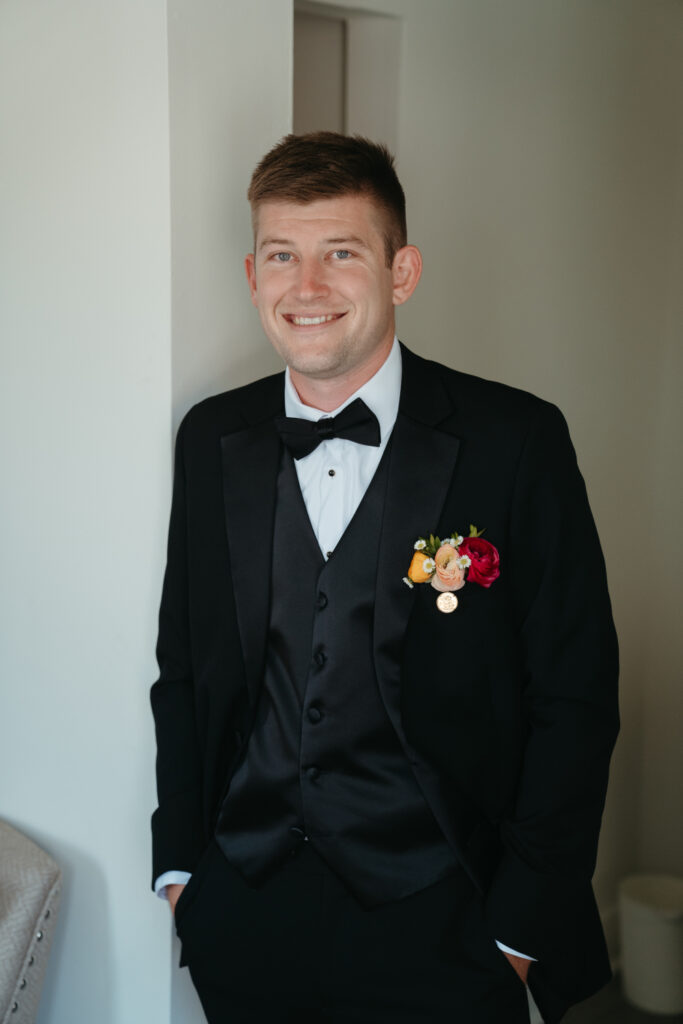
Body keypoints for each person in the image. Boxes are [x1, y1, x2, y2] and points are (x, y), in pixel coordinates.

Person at [150, 132, 619, 1024]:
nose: (309, 286)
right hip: (242, 912)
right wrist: (181, 870)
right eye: (284, 255)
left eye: (342, 253)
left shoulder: (513, 441)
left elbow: (576, 697)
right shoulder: (211, 438)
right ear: (254, 276)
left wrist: (518, 928)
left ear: (401, 272)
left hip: (447, 918)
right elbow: (186, 668)